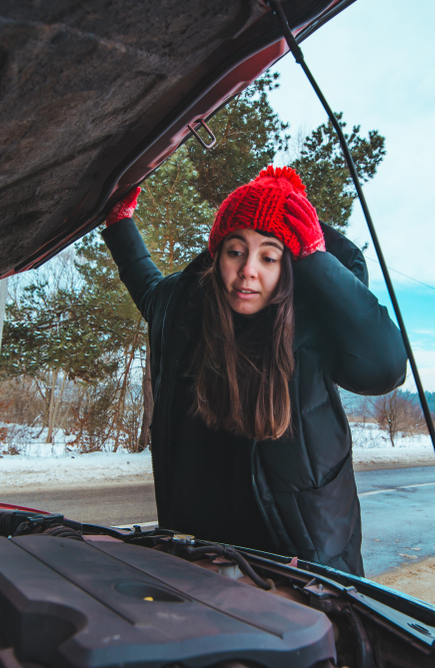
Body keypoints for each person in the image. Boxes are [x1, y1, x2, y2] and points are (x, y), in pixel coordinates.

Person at [102, 166, 407, 575]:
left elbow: (384, 368)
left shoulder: (316, 316)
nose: (249, 269)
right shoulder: (186, 309)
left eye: (268, 255)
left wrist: (318, 259)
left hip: (303, 555)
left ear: (290, 266)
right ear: (218, 255)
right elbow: (147, 286)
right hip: (201, 554)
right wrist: (119, 224)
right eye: (236, 251)